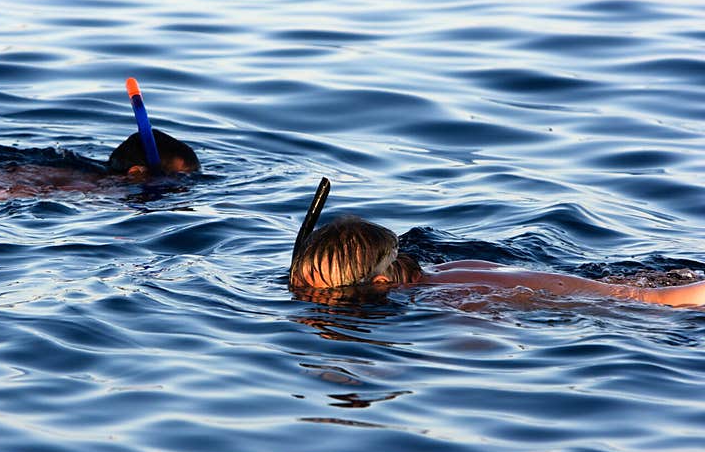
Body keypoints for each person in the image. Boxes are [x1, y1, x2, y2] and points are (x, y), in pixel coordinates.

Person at [289, 178, 705, 308]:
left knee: (651, 298)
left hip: (628, 303)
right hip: (609, 284)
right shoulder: (439, 271)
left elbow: (481, 343)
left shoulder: (453, 294)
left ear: (379, 284)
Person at [0, 129, 200, 203]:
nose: (179, 188)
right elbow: (17, 190)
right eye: (175, 181)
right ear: (136, 173)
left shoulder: (80, 173)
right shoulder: (95, 191)